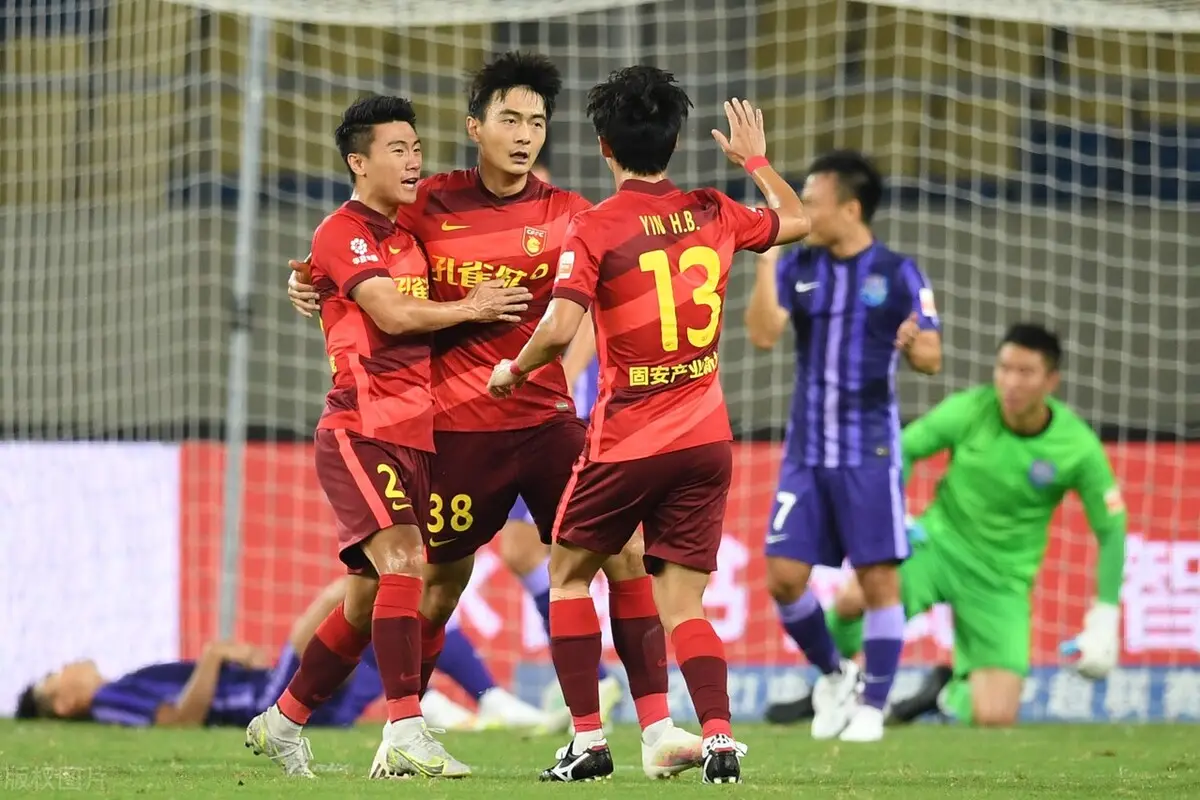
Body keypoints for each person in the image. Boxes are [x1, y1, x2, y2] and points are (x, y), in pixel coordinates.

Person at [286, 53, 699, 777]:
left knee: (626, 554)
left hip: (545, 425)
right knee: (430, 587)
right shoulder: (425, 201)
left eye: (537, 122)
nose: (525, 134)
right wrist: (309, 284)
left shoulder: (570, 214)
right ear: (475, 127)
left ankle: (658, 730)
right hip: (451, 433)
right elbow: (352, 245)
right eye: (510, 119)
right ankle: (396, 728)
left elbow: (608, 296)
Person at [487, 68, 810, 784]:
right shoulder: (714, 210)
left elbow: (559, 327)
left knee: (568, 576)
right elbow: (797, 221)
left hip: (628, 439)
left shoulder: (595, 226)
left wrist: (513, 369)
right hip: (705, 439)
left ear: (604, 147)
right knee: (684, 602)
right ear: (676, 142)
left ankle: (587, 740)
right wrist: (755, 161)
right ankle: (718, 737)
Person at [246, 94, 529, 781]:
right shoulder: (343, 230)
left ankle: (282, 721)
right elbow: (391, 313)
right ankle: (406, 729)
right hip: (359, 426)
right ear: (358, 162)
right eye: (397, 149)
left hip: (416, 433)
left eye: (416, 148)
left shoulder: (408, 232)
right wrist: (474, 306)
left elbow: (337, 282)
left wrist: (307, 282)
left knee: (365, 599)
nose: (413, 161)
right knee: (406, 560)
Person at [803, 325, 1127, 727]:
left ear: (1050, 381)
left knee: (994, 716)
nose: (1011, 382)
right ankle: (833, 680)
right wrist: (894, 519)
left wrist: (1106, 615)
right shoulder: (971, 409)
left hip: (1002, 578)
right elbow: (901, 450)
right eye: (1004, 368)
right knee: (854, 595)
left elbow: (1111, 529)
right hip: (938, 545)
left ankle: (944, 693)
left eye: (1025, 372)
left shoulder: (1076, 445)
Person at [744, 149, 942, 743]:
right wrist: (767, 259)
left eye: (813, 201)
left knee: (878, 580)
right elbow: (763, 334)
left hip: (868, 452)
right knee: (783, 577)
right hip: (806, 454)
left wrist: (915, 346)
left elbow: (932, 357)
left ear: (850, 209)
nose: (803, 211)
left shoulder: (899, 273)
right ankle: (837, 675)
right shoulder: (799, 265)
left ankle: (873, 708)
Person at [11, 578, 527, 732]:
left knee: (363, 637)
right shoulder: (111, 703)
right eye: (56, 676)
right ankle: (475, 700)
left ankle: (451, 710)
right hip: (265, 702)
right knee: (346, 601)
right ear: (64, 704)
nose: (67, 664)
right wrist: (214, 656)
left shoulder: (120, 687)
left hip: (262, 691)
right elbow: (176, 723)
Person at [494, 162, 621, 729]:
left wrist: (565, 375)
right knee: (527, 552)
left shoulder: (572, 225)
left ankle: (619, 687)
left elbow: (589, 311)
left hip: (564, 407)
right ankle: (599, 682)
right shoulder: (486, 236)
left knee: (604, 553)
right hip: (516, 403)